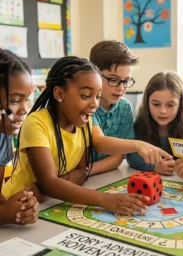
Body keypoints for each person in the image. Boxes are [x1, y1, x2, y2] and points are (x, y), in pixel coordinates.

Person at [2, 56, 171, 216]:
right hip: (14, 203)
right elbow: (50, 183)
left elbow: (81, 172)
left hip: (48, 203)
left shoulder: (84, 123)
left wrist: (48, 187)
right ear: (59, 94)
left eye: (97, 96)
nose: (94, 104)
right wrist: (103, 199)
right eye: (85, 96)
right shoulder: (36, 123)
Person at [0, 48, 39, 225]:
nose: (24, 110)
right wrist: (3, 214)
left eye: (26, 99)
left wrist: (19, 206)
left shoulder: (3, 134)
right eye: (15, 100)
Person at [127, 71, 183, 175]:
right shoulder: (141, 122)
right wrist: (154, 166)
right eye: (156, 104)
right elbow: (131, 156)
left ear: (180, 105)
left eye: (170, 105)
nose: (163, 111)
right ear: (147, 102)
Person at [89, 40, 138, 175]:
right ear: (94, 75)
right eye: (113, 79)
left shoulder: (124, 107)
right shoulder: (87, 105)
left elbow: (119, 156)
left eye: (126, 81)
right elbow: (99, 143)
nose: (121, 88)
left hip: (99, 175)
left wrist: (86, 172)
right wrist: (138, 145)